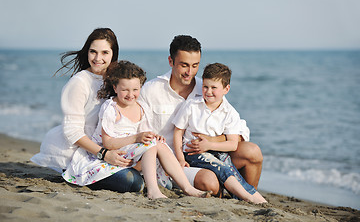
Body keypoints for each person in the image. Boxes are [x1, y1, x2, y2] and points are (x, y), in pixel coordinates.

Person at [63, 60, 210, 199]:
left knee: (157, 144)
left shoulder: (141, 108)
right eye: (125, 90)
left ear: (141, 87)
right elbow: (107, 143)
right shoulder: (111, 108)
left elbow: (144, 136)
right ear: (115, 88)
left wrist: (154, 137)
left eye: (135, 89)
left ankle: (187, 188)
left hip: (131, 154)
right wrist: (137, 138)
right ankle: (153, 191)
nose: (130, 94)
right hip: (109, 155)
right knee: (149, 147)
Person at [138, 35, 263, 196]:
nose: (189, 72)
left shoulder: (207, 88)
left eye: (195, 65)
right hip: (173, 161)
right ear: (171, 61)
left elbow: (240, 132)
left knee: (252, 152)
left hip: (211, 152)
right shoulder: (151, 90)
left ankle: (248, 198)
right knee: (210, 182)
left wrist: (210, 141)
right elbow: (139, 131)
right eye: (184, 65)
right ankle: (225, 188)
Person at [31, 28, 144, 193]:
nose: (98, 58)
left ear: (113, 54)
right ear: (87, 52)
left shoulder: (118, 81)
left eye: (105, 52)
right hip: (79, 151)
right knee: (132, 182)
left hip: (109, 147)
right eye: (93, 52)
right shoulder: (79, 83)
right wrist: (105, 154)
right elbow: (72, 132)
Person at [172, 63, 267, 203]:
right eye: (205, 87)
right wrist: (180, 158)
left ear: (226, 89)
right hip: (193, 153)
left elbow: (233, 144)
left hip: (215, 151)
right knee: (222, 168)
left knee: (230, 168)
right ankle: (246, 197)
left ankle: (257, 199)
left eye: (213, 88)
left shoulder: (230, 112)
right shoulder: (192, 105)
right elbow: (177, 133)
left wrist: (209, 144)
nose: (208, 91)